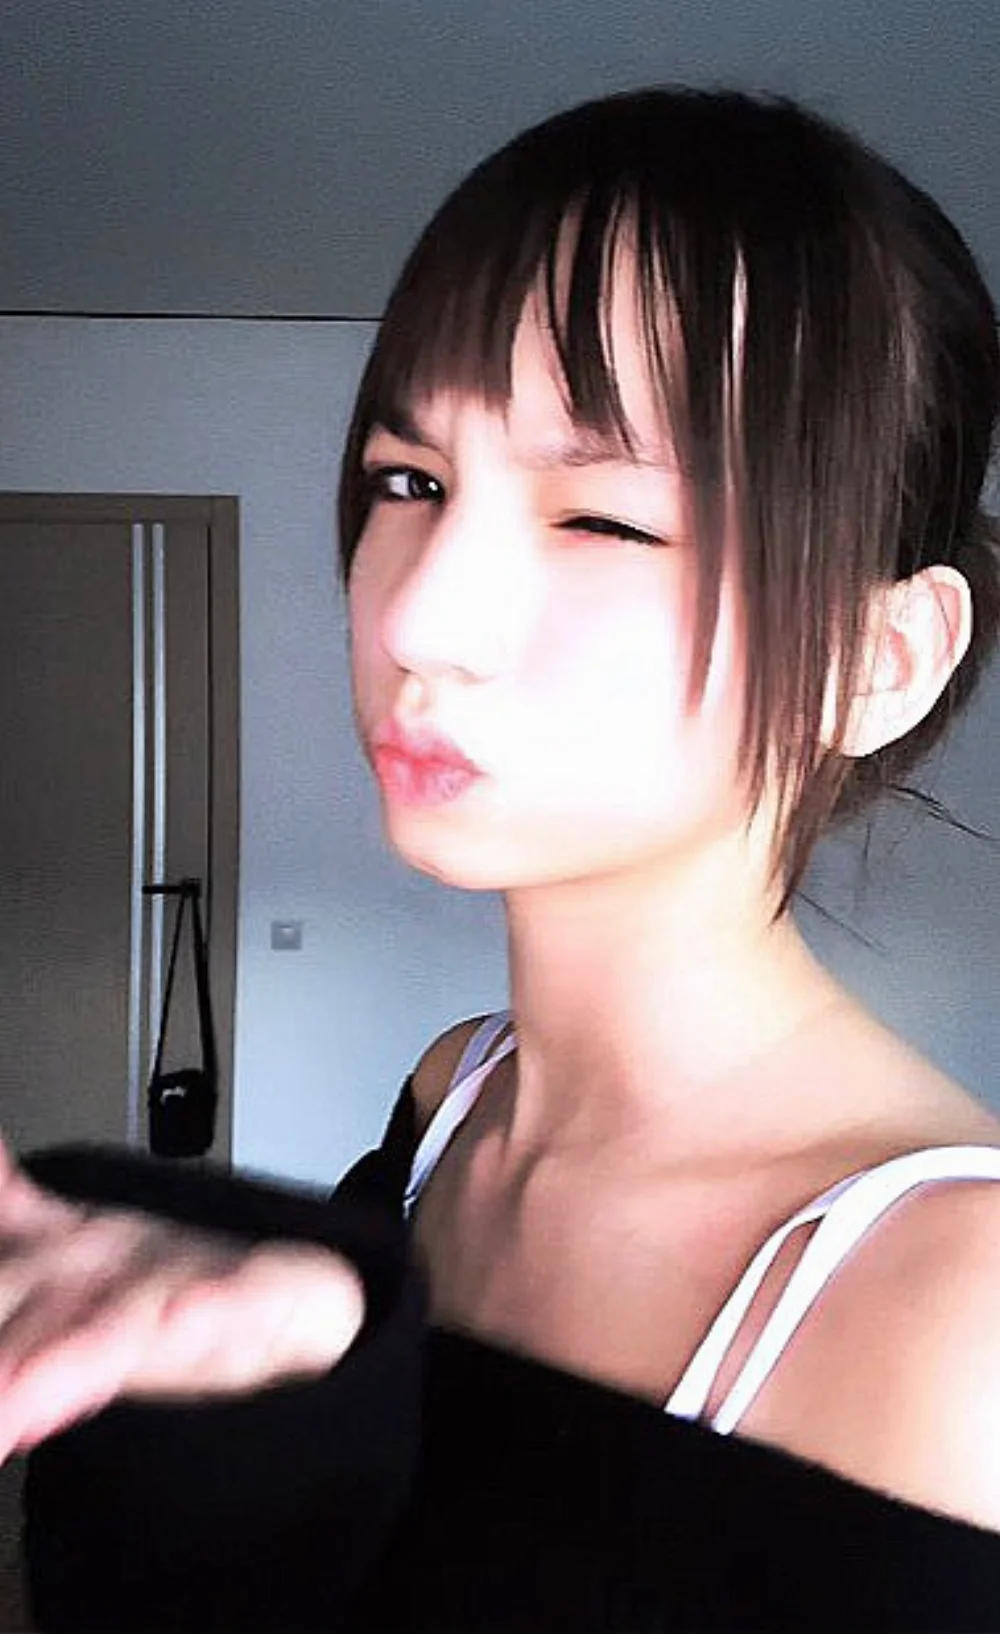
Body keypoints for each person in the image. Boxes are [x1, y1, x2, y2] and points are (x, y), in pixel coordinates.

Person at [5, 84, 1000, 1631]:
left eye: (601, 518)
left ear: (876, 660)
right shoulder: (453, 1094)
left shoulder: (959, 1308)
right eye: (410, 482)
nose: (413, 618)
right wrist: (241, 1405)